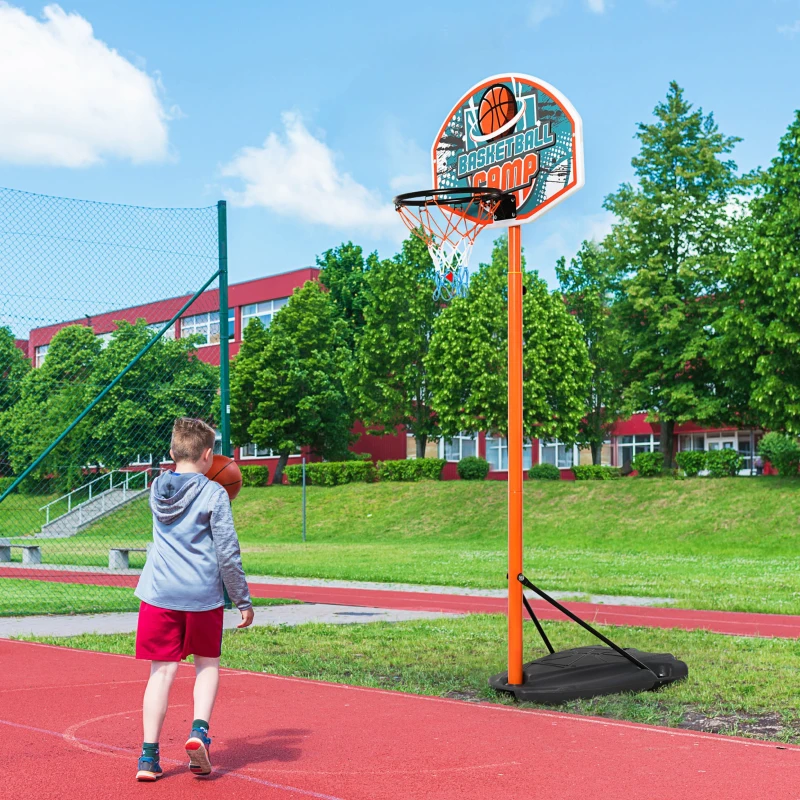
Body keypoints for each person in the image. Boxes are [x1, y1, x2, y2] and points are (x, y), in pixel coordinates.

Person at [133, 417, 253, 781]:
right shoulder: (215, 493)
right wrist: (242, 600)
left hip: (159, 593)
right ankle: (198, 732)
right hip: (201, 594)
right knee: (207, 665)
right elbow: (227, 552)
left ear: (171, 453)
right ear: (207, 455)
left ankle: (148, 758)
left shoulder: (156, 488)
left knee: (161, 671)